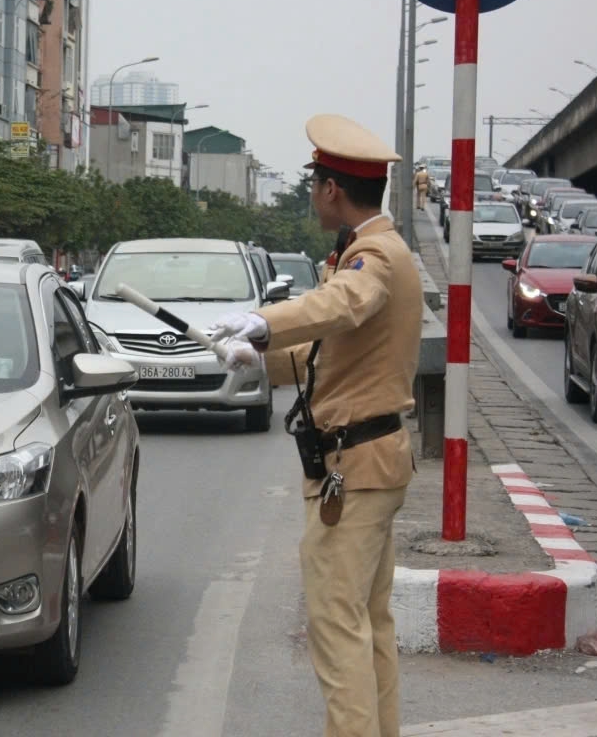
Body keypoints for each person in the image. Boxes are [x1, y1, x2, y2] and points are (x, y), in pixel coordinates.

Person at [211, 114, 422, 737]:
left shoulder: (374, 257)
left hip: (356, 468)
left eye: (314, 185)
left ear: (332, 190)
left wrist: (263, 320)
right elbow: (336, 351)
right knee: (368, 621)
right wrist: (264, 356)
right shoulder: (370, 250)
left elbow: (340, 304)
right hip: (369, 461)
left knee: (335, 624)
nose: (311, 196)